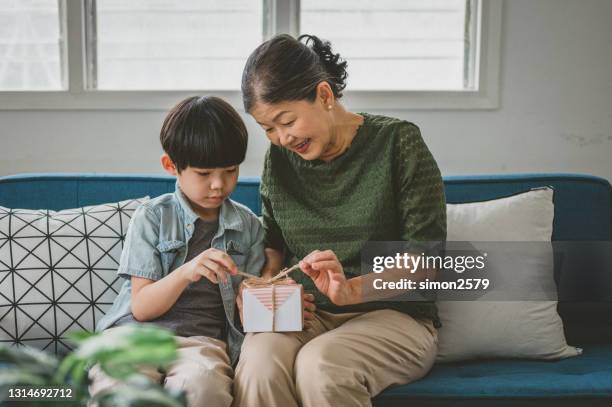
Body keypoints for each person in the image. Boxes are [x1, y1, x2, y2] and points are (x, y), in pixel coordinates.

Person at [233, 34, 447, 407]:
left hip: (393, 316)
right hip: (307, 313)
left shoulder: (398, 142)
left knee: (321, 366)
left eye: (287, 121)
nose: (282, 138)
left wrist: (349, 290)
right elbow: (273, 246)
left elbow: (424, 263)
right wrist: (259, 290)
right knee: (257, 366)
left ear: (325, 96)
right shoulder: (279, 160)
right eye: (268, 128)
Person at [88, 96, 266, 407]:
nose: (218, 185)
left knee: (204, 388)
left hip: (201, 343)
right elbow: (141, 307)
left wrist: (265, 292)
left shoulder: (248, 226)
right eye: (203, 173)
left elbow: (251, 304)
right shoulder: (152, 217)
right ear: (171, 166)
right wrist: (187, 271)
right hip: (135, 336)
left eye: (230, 171)